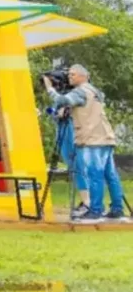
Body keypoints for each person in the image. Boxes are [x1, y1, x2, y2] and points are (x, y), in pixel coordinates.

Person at [43, 64, 125, 221]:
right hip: (105, 137)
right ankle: (117, 209)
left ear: (83, 76)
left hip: (91, 139)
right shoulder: (95, 91)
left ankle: (95, 210)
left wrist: (50, 88)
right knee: (111, 175)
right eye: (69, 74)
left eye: (73, 74)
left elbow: (61, 100)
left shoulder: (80, 92)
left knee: (95, 175)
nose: (69, 77)